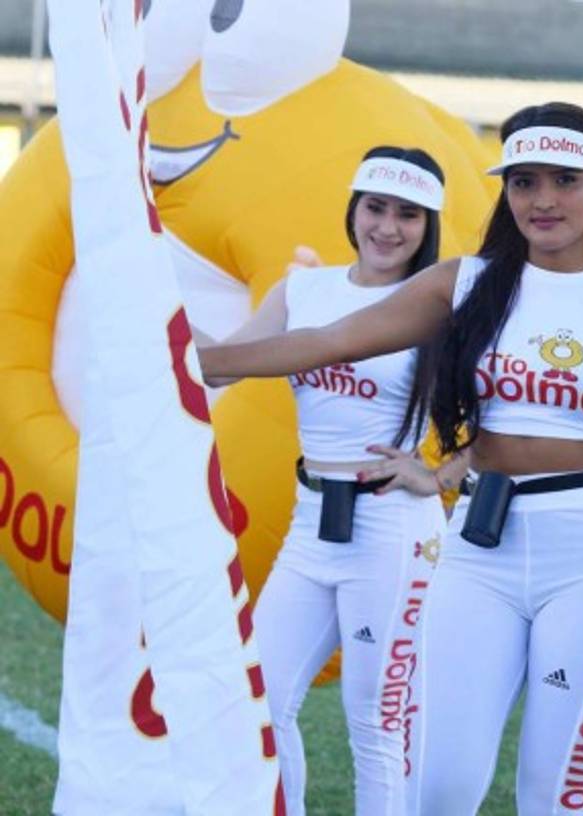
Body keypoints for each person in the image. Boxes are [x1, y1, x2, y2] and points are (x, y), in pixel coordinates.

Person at [198, 102, 583, 816]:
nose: (542, 200)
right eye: (523, 182)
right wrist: (191, 361)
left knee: (554, 796)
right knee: (436, 787)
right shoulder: (466, 283)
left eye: (564, 180)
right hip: (480, 548)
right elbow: (330, 341)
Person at [197, 146, 465, 815]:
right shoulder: (303, 291)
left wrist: (436, 477)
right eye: (376, 207)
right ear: (355, 208)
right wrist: (152, 322)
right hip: (310, 521)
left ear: (427, 225)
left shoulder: (437, 304)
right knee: (260, 700)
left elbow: (499, 418)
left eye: (408, 214)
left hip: (391, 529)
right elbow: (226, 366)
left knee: (374, 721)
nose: (387, 227)